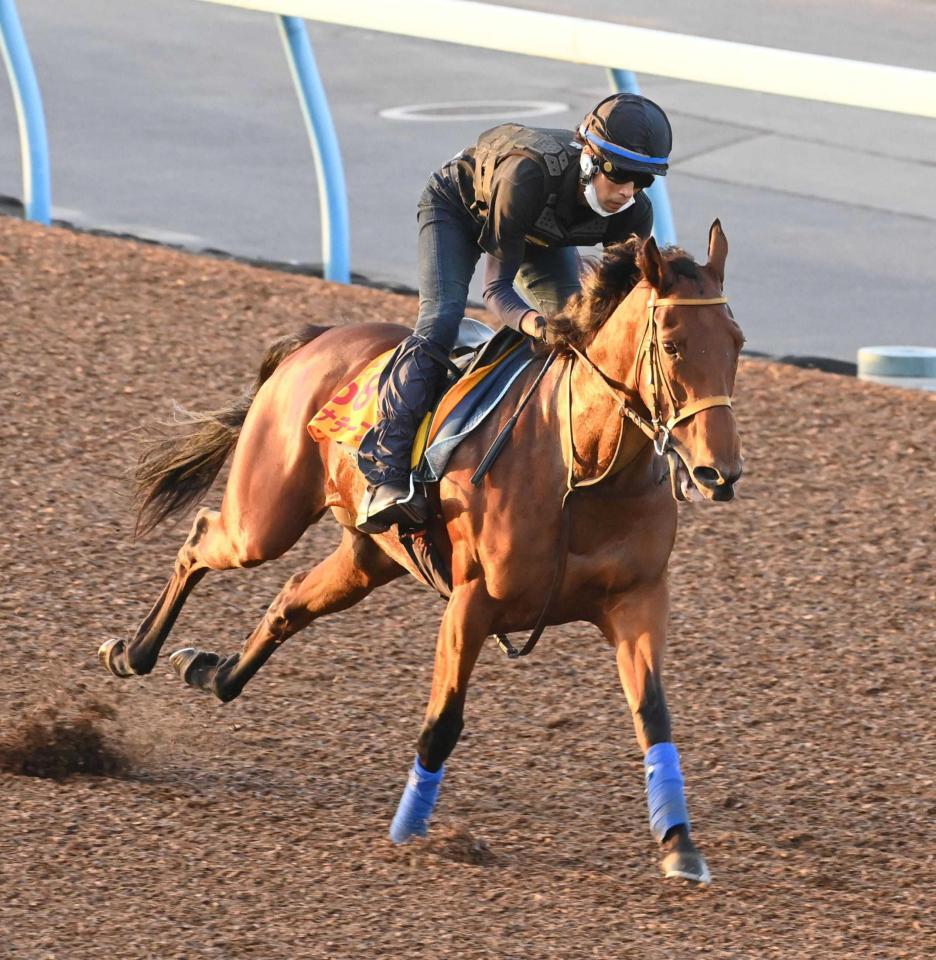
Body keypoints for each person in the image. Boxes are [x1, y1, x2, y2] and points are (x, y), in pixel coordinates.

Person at [356, 92, 672, 533]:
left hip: (542, 236)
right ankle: (386, 473)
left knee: (580, 337)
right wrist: (533, 323)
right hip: (460, 210)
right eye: (619, 175)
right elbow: (496, 290)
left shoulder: (633, 212)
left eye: (643, 181)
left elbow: (620, 311)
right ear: (589, 160)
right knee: (442, 318)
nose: (627, 192)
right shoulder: (526, 176)